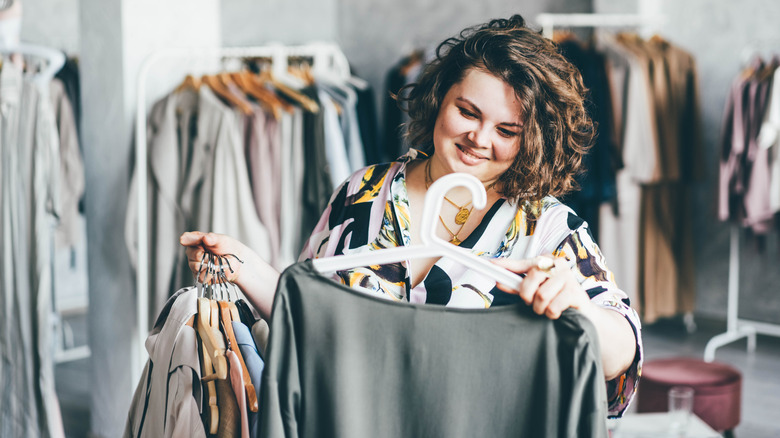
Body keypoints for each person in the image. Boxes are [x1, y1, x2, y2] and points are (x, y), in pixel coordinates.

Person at [180, 14, 642, 417]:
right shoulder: (362, 193)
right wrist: (245, 267)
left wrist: (581, 310)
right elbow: (306, 315)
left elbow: (622, 358)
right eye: (468, 112)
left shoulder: (550, 230)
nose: (479, 138)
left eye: (506, 130)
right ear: (440, 98)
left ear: (533, 140)